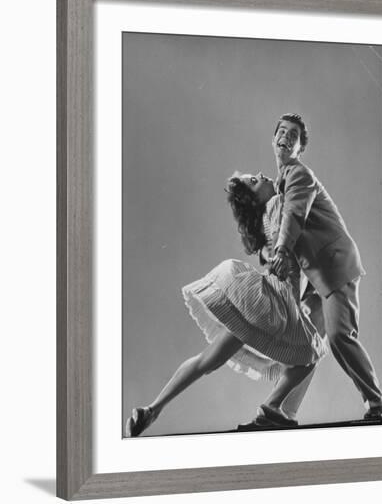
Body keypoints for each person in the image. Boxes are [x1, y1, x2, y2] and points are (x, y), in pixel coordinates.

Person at [125, 172, 327, 437]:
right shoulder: (278, 204)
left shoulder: (266, 222)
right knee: (311, 354)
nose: (261, 175)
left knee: (208, 360)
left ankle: (152, 409)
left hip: (261, 302)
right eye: (254, 181)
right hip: (276, 303)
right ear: (255, 199)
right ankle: (273, 408)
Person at [266, 112, 382, 421]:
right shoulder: (283, 183)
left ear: (300, 148)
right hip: (318, 279)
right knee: (304, 344)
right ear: (273, 139)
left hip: (335, 269)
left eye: (294, 135)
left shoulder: (298, 174)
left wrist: (280, 249)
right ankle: (282, 411)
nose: (286, 137)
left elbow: (294, 216)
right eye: (282, 131)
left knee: (339, 337)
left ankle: (376, 403)